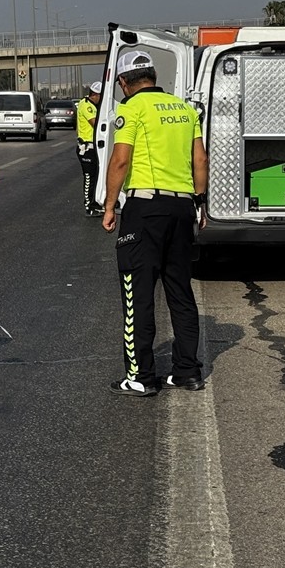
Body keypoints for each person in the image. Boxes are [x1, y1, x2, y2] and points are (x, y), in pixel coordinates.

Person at [102, 50, 209, 396]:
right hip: (182, 209)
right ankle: (187, 372)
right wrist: (201, 203)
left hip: (145, 209)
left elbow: (120, 161)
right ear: (152, 75)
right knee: (180, 291)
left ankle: (141, 376)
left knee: (138, 294)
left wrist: (108, 206)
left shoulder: (130, 109)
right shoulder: (184, 108)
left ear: (123, 82)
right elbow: (200, 159)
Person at [75, 81, 104, 216]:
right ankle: (89, 206)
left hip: (94, 147)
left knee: (96, 176)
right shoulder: (86, 105)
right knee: (89, 177)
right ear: (94, 95)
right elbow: (95, 123)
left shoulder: (93, 105)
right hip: (86, 147)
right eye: (100, 96)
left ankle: (95, 202)